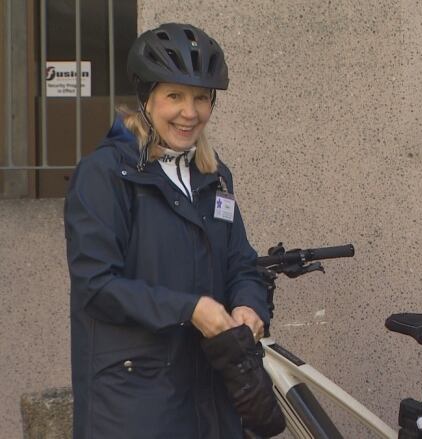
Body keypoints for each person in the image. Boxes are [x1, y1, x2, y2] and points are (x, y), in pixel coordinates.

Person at [65, 23, 280, 438]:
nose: (190, 112)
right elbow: (96, 285)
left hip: (210, 397)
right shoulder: (104, 174)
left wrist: (251, 307)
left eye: (202, 97)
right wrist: (190, 309)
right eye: (175, 96)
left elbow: (242, 264)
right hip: (133, 404)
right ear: (147, 99)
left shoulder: (213, 176)